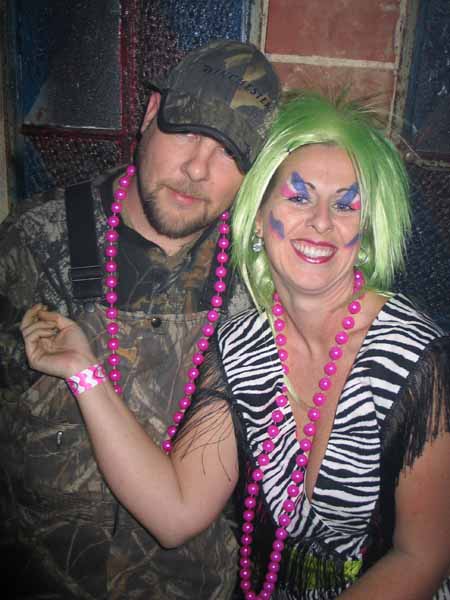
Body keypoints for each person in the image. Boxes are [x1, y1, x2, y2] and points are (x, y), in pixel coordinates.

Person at [21, 91, 450, 599]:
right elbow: (176, 511)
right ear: (259, 213)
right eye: (299, 197)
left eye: (346, 205)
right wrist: (83, 371)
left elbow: (421, 557)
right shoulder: (244, 344)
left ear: (369, 229)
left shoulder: (413, 356)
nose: (321, 221)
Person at [0, 39, 281, 599]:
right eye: (188, 130)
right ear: (151, 112)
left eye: (229, 151)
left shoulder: (256, 288)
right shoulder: (34, 244)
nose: (197, 168)